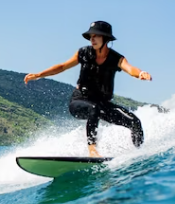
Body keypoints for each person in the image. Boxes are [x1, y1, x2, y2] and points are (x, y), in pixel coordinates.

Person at [24, 21, 152, 157]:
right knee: (93, 108)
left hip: (103, 104)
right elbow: (62, 66)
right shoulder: (83, 53)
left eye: (96, 35)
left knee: (135, 122)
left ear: (106, 38)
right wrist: (39, 75)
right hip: (80, 101)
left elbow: (130, 68)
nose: (92, 38)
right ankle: (92, 150)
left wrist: (140, 73)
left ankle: (139, 154)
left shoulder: (116, 58)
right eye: (91, 36)